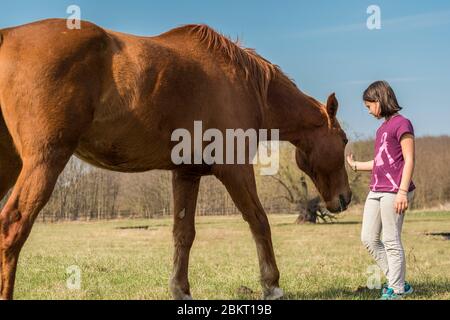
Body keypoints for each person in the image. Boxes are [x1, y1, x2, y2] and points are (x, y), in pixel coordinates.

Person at [346, 81, 416, 300]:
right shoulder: (381, 129)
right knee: (368, 238)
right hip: (376, 189)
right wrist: (356, 166)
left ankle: (396, 290)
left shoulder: (402, 124)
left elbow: (409, 160)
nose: (368, 111)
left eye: (369, 106)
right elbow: (381, 162)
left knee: (391, 240)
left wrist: (403, 192)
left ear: (380, 100)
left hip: (395, 190)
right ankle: (400, 283)